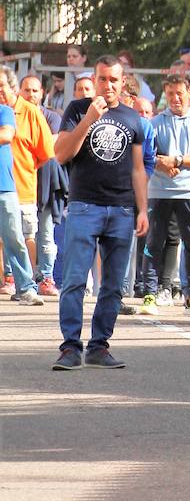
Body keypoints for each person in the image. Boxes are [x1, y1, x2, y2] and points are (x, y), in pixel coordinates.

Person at [52, 56, 149, 370]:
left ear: (123, 82)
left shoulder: (133, 118)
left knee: (113, 284)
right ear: (94, 80)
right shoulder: (78, 109)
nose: (108, 85)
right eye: (103, 79)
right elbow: (62, 153)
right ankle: (70, 348)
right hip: (84, 206)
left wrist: (142, 209)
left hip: (121, 209)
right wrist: (88, 120)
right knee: (75, 280)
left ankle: (99, 346)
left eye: (114, 80)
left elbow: (137, 169)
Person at [136, 73, 190, 313]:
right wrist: (160, 163)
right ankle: (149, 294)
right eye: (170, 94)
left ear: (188, 92)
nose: (175, 98)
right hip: (160, 190)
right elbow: (146, 156)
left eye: (180, 93)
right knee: (154, 243)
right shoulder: (154, 123)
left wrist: (178, 160)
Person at [0, 68, 54, 298]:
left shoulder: (23, 112)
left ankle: (28, 283)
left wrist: (26, 171)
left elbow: (44, 153)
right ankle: (8, 281)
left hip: (16, 187)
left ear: (11, 87)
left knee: (22, 237)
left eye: (2, 85)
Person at [19, 74, 67, 296]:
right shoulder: (13, 116)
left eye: (35, 90)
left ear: (43, 93)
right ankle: (21, 277)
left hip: (46, 184)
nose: (31, 95)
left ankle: (46, 277)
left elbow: (47, 149)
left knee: (45, 234)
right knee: (18, 234)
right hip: (21, 182)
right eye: (26, 90)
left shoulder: (52, 118)